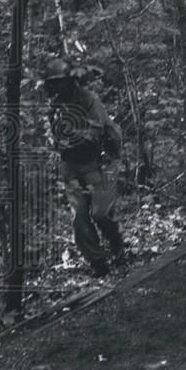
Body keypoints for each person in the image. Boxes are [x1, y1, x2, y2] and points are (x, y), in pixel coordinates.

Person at [44, 57, 126, 278]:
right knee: (79, 219)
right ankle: (98, 261)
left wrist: (75, 136)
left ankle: (116, 242)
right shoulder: (55, 105)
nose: (57, 86)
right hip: (72, 164)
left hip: (99, 161)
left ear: (70, 81)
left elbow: (97, 131)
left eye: (61, 81)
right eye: (54, 83)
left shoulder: (89, 99)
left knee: (100, 214)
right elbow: (56, 134)